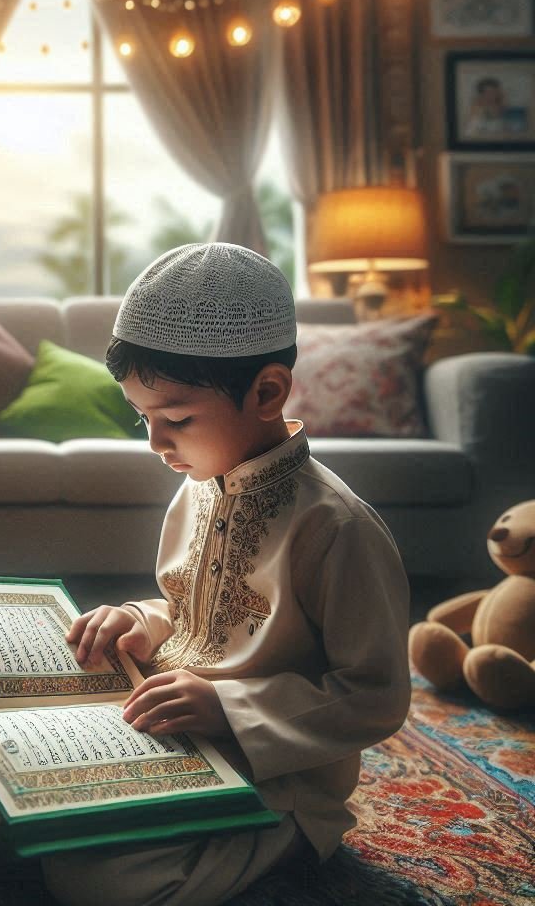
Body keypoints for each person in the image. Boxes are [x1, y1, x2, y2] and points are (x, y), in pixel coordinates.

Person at [45, 242, 411, 906]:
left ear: (267, 391)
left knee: (96, 879)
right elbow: (186, 611)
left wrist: (229, 708)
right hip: (170, 734)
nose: (155, 443)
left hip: (278, 773)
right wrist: (137, 619)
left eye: (176, 419)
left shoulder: (337, 528)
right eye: (144, 419)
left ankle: (295, 837)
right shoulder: (200, 485)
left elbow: (375, 695)